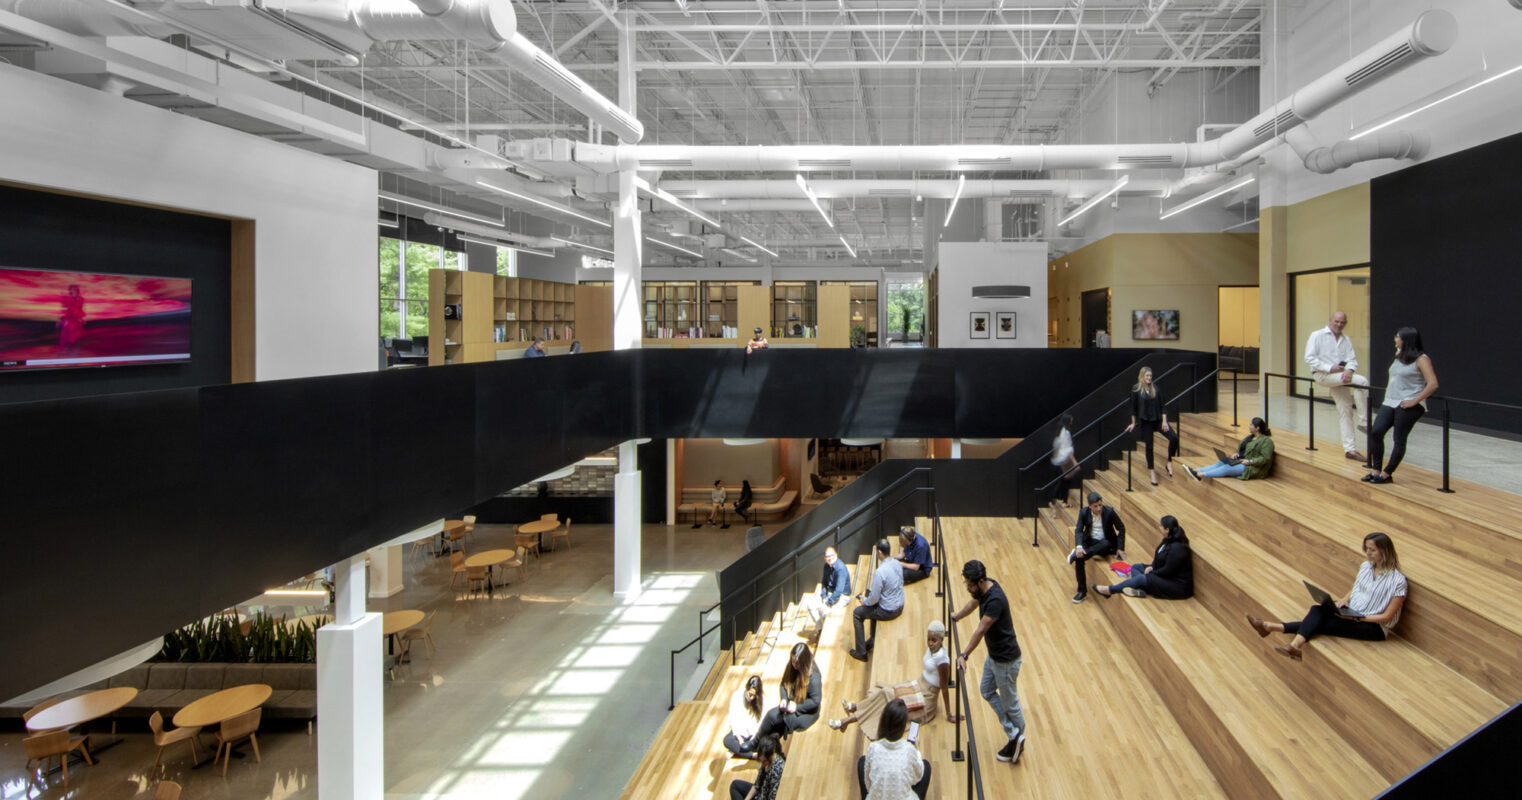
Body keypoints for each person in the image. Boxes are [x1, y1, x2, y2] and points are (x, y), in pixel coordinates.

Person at [1245, 532, 1406, 661]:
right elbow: (1358, 587)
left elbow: (1386, 617)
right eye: (1366, 549)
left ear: (1384, 551)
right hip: (1353, 612)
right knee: (1318, 609)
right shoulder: (1366, 566)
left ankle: (1275, 631)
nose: (1367, 553)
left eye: (1372, 550)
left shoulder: (1398, 581)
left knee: (1321, 624)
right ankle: (1277, 634)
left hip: (1374, 627)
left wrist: (1357, 618)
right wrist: (1344, 599)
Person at [950, 559, 1025, 764]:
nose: (968, 588)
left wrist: (964, 654)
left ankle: (1018, 739)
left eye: (970, 585)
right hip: (994, 657)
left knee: (1011, 704)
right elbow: (972, 604)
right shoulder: (983, 590)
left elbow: (981, 630)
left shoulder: (995, 600)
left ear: (980, 582)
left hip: (1006, 662)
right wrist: (957, 616)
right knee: (986, 690)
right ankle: (1014, 734)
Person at [829, 620, 954, 736]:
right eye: (929, 639)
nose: (931, 643)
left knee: (888, 698)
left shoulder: (942, 659)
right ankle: (855, 707)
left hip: (927, 697)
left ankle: (846, 720)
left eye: (934, 640)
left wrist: (948, 714)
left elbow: (944, 687)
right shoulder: (933, 650)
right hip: (919, 684)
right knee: (884, 692)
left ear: (942, 640)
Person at [1364, 327, 1438, 485]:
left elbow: (1432, 384)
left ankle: (1387, 473)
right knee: (1376, 432)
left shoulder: (1422, 359)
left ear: (1406, 340)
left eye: (1397, 337)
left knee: (1399, 438)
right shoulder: (1399, 355)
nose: (1395, 339)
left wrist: (1415, 401)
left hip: (1409, 403)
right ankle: (1376, 469)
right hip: (1390, 400)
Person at [1304, 311, 1371, 460]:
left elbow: (1352, 359)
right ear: (1330, 321)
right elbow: (1309, 357)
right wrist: (1329, 367)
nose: (1339, 325)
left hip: (1340, 377)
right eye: (1337, 322)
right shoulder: (1317, 335)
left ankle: (1350, 450)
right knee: (1362, 381)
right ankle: (1365, 421)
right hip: (1323, 375)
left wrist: (1349, 370)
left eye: (1342, 322)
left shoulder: (1346, 339)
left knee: (1345, 410)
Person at [1092, 515, 1193, 599]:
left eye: (1161, 526)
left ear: (1167, 529)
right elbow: (1158, 556)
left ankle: (1109, 590)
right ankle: (1141, 590)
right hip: (1162, 572)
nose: (1159, 527)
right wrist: (1152, 566)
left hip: (1175, 584)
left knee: (1142, 578)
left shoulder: (1178, 548)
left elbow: (1168, 571)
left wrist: (1152, 572)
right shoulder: (1166, 540)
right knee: (1136, 567)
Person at [855, 699, 932, 800]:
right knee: (925, 766)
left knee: (862, 762)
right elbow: (916, 778)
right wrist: (917, 750)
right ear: (903, 725)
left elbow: (868, 784)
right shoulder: (909, 750)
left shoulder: (873, 748)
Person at [849, 539, 905, 662]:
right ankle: (872, 639)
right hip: (900, 604)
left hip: (888, 610)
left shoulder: (880, 572)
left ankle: (861, 652)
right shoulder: (897, 563)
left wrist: (864, 601)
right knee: (869, 594)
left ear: (879, 552)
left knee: (857, 613)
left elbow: (874, 599)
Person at [1067, 492, 1126, 604]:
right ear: (1089, 506)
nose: (1099, 508)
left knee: (1104, 544)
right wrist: (1079, 546)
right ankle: (1082, 592)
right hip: (1090, 541)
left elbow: (1121, 528)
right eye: (1095, 506)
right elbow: (1079, 530)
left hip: (1105, 543)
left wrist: (1120, 548)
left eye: (1100, 505)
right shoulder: (1084, 512)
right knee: (1080, 559)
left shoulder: (1110, 512)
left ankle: (1076, 555)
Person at [1124, 366, 1179, 485]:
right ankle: (1152, 472)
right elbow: (1133, 409)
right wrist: (1133, 423)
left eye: (1150, 375)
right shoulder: (1136, 390)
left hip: (1158, 420)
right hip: (1146, 422)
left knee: (1174, 438)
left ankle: (1169, 462)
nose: (1149, 378)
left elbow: (1162, 406)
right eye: (1147, 376)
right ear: (1142, 376)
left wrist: (1164, 421)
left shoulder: (1156, 388)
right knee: (1149, 447)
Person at [757, 643, 821, 739]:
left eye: (797, 663)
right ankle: (762, 744)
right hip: (791, 704)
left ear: (803, 663)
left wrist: (797, 707)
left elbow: (815, 701)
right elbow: (784, 684)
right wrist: (783, 699)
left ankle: (756, 742)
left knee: (773, 717)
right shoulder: (792, 666)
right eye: (793, 661)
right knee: (774, 725)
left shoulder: (814, 676)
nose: (794, 665)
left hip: (806, 712)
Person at [1185, 418, 1274, 481]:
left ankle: (1201, 475)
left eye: (1251, 424)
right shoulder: (1250, 437)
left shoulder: (1266, 441)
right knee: (1222, 462)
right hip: (1240, 461)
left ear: (1257, 428)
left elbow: (1266, 458)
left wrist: (1249, 461)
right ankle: (1197, 470)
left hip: (1251, 467)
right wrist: (1236, 453)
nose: (1249, 425)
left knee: (1226, 468)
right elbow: (1241, 450)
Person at [803, 546, 851, 626]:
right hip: (830, 593)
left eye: (832, 555)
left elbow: (839, 590)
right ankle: (820, 629)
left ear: (836, 555)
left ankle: (826, 632)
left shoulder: (841, 568)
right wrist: (824, 597)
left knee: (825, 611)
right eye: (827, 556)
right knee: (811, 605)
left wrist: (827, 603)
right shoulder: (826, 566)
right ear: (825, 558)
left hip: (842, 596)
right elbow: (824, 583)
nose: (830, 558)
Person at [728, 733, 784, 800]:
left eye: (764, 761)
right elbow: (757, 784)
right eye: (761, 761)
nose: (762, 764)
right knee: (735, 785)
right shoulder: (766, 762)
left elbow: (772, 797)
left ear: (771, 755)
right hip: (761, 793)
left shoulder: (778, 770)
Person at [724, 675, 766, 758]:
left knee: (767, 742)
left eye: (754, 696)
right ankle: (752, 755)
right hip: (741, 732)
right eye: (750, 694)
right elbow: (733, 719)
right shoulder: (736, 696)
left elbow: (761, 723)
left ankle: (741, 750)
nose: (751, 697)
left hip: (754, 734)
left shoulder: (762, 700)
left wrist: (753, 739)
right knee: (727, 740)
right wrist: (739, 738)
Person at [1048, 414, 1080, 512]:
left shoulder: (1060, 432)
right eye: (1071, 421)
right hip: (1063, 461)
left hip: (1060, 460)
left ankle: (1063, 501)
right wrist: (1075, 462)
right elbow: (1068, 449)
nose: (1072, 423)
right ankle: (1053, 502)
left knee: (1065, 481)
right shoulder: (1065, 433)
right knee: (1063, 481)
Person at [58, 284, 86, 352]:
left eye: (74, 290)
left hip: (76, 319)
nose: (72, 292)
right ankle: (66, 348)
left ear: (77, 291)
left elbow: (80, 309)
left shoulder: (81, 299)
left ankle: (71, 348)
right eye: (71, 290)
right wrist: (62, 297)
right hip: (69, 318)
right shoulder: (69, 299)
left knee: (77, 335)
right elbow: (64, 304)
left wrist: (81, 319)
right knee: (67, 334)